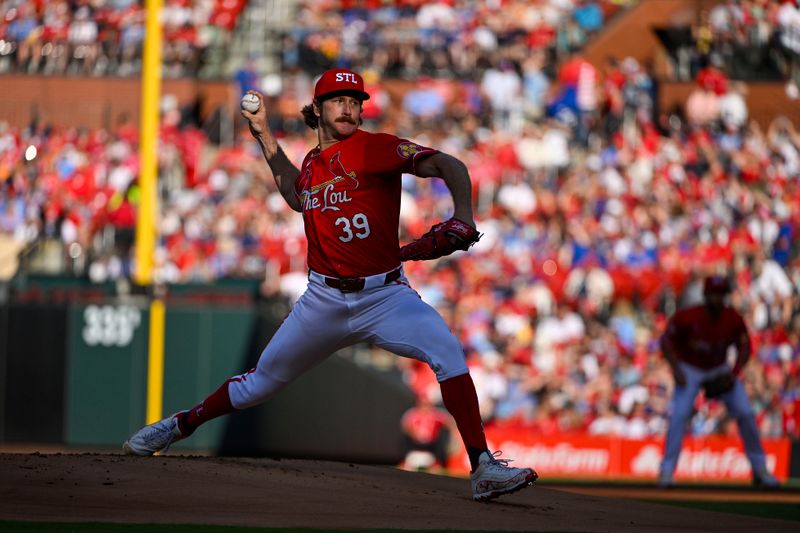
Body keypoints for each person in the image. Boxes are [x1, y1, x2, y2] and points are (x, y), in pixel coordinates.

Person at [123, 68, 538, 501]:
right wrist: (264, 134)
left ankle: (482, 467)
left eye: (356, 100)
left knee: (448, 351)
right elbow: (296, 196)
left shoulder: (375, 147)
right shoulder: (312, 163)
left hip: (384, 296)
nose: (350, 107)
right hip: (322, 299)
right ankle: (180, 424)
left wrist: (464, 215)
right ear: (317, 109)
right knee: (257, 384)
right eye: (339, 99)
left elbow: (448, 164)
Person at [657, 276, 780, 488]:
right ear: (705, 295)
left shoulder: (732, 318)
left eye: (720, 294)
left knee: (745, 412)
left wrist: (733, 374)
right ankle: (666, 471)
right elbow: (666, 342)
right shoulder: (688, 317)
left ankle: (760, 470)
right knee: (679, 415)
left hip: (719, 368)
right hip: (690, 368)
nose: (717, 299)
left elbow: (745, 347)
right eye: (713, 294)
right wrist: (676, 369)